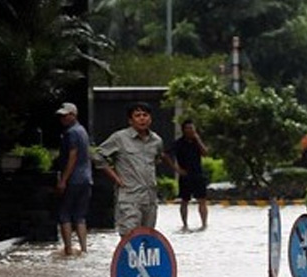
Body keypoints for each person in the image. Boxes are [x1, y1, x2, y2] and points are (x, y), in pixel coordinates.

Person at [95, 101, 171, 236]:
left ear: (150, 118)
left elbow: (157, 159)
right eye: (137, 115)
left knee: (148, 236)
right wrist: (116, 178)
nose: (142, 118)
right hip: (129, 196)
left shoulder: (156, 141)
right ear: (130, 120)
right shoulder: (119, 138)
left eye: (145, 115)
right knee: (129, 235)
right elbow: (97, 155)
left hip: (150, 198)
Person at [54, 102, 92, 255]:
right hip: (86, 179)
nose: (62, 118)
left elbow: (73, 156)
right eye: (61, 115)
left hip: (74, 179)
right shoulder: (82, 131)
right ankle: (83, 249)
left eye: (65, 115)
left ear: (73, 115)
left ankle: (68, 249)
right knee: (80, 216)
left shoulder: (71, 133)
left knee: (64, 213)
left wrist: (63, 180)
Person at [170, 119, 209, 231]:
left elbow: (205, 153)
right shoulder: (178, 143)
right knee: (184, 200)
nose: (190, 130)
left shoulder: (197, 142)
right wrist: (177, 169)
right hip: (185, 175)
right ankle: (185, 224)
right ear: (183, 130)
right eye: (188, 128)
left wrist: (197, 139)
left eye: (192, 128)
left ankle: (204, 223)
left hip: (198, 173)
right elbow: (165, 155)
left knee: (202, 200)